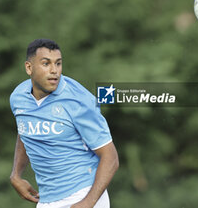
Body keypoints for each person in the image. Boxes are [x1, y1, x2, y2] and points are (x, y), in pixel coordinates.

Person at [9, 39, 119, 208]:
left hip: (83, 195)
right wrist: (16, 174)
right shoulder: (18, 97)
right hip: (46, 200)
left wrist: (87, 203)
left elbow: (110, 157)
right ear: (29, 68)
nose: (54, 71)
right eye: (46, 63)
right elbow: (25, 130)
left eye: (58, 64)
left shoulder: (78, 100)